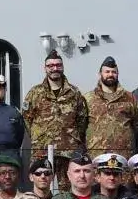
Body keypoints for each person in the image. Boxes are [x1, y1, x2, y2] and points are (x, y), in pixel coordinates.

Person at [22, 52, 89, 184]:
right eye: (50, 65)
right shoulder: (35, 93)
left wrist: (71, 137)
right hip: (42, 149)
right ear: (45, 68)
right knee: (42, 185)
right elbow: (26, 119)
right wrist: (39, 135)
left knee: (69, 189)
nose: (55, 68)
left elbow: (82, 120)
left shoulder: (74, 93)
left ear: (63, 67)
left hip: (68, 150)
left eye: (58, 65)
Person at [85, 57, 138, 161]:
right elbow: (81, 125)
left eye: (114, 72)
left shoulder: (130, 98)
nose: (110, 75)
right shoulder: (88, 98)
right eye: (107, 72)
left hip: (123, 155)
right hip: (96, 155)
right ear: (100, 74)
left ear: (117, 74)